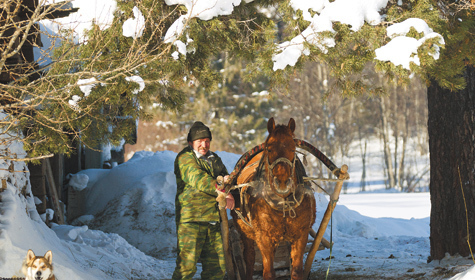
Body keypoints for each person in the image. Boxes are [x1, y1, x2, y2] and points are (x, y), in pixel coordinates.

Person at [172, 121, 235, 280]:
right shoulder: (184, 158)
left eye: (207, 141)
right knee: (186, 267)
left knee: (217, 268)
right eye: (199, 141)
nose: (204, 145)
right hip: (191, 220)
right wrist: (221, 188)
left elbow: (226, 179)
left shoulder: (214, 158)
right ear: (190, 142)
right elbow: (200, 179)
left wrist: (229, 187)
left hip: (213, 219)